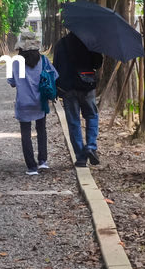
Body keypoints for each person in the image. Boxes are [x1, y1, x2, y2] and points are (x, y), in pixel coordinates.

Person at [6, 32, 56, 176]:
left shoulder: (16, 62)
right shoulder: (43, 60)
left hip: (24, 102)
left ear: (21, 47)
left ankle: (32, 167)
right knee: (41, 130)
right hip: (40, 101)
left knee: (26, 134)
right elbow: (54, 76)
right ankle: (43, 161)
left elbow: (12, 82)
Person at [53, 28, 103, 167]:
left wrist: (57, 88)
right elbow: (97, 63)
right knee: (92, 115)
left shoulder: (61, 44)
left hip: (68, 88)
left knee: (73, 121)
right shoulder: (90, 42)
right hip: (87, 85)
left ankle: (80, 157)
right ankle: (91, 147)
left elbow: (55, 67)